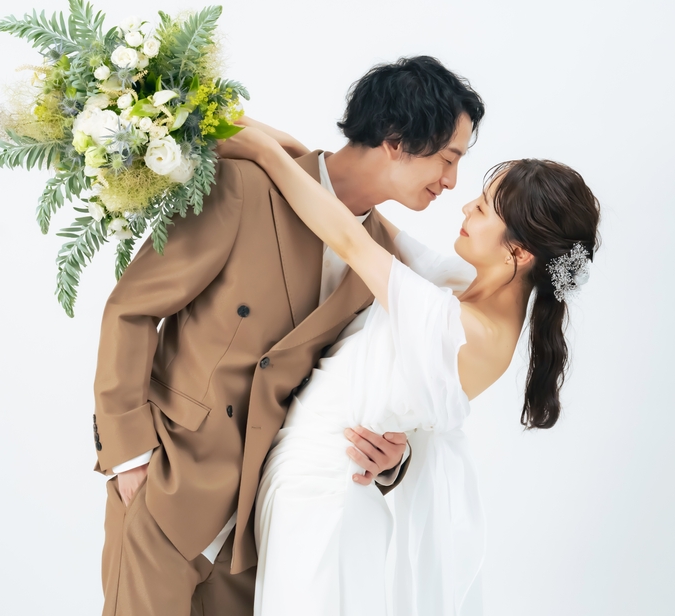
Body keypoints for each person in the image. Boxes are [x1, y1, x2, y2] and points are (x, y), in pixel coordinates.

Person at [92, 56, 485, 616]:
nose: (451, 181)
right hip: (170, 484)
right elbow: (131, 309)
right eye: (448, 158)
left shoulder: (382, 260)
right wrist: (128, 456)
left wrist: (390, 456)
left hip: (263, 526)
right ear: (397, 140)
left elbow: (359, 379)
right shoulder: (242, 187)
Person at [216, 125, 601, 615]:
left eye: (482, 209)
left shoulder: (467, 330)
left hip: (327, 499)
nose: (464, 207)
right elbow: (369, 222)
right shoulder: (460, 287)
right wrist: (262, 133)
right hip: (305, 486)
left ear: (519, 253)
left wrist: (263, 154)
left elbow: (349, 238)